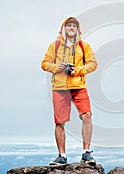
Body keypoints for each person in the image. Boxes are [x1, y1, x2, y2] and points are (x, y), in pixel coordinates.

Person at [41, 17, 98, 165]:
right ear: (64, 29)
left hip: (78, 86)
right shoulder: (54, 46)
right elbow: (44, 64)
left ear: (78, 30)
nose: (71, 28)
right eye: (69, 25)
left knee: (87, 116)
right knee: (59, 122)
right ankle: (62, 156)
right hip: (59, 88)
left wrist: (77, 70)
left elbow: (93, 64)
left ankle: (86, 153)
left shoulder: (83, 46)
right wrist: (56, 67)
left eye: (74, 26)